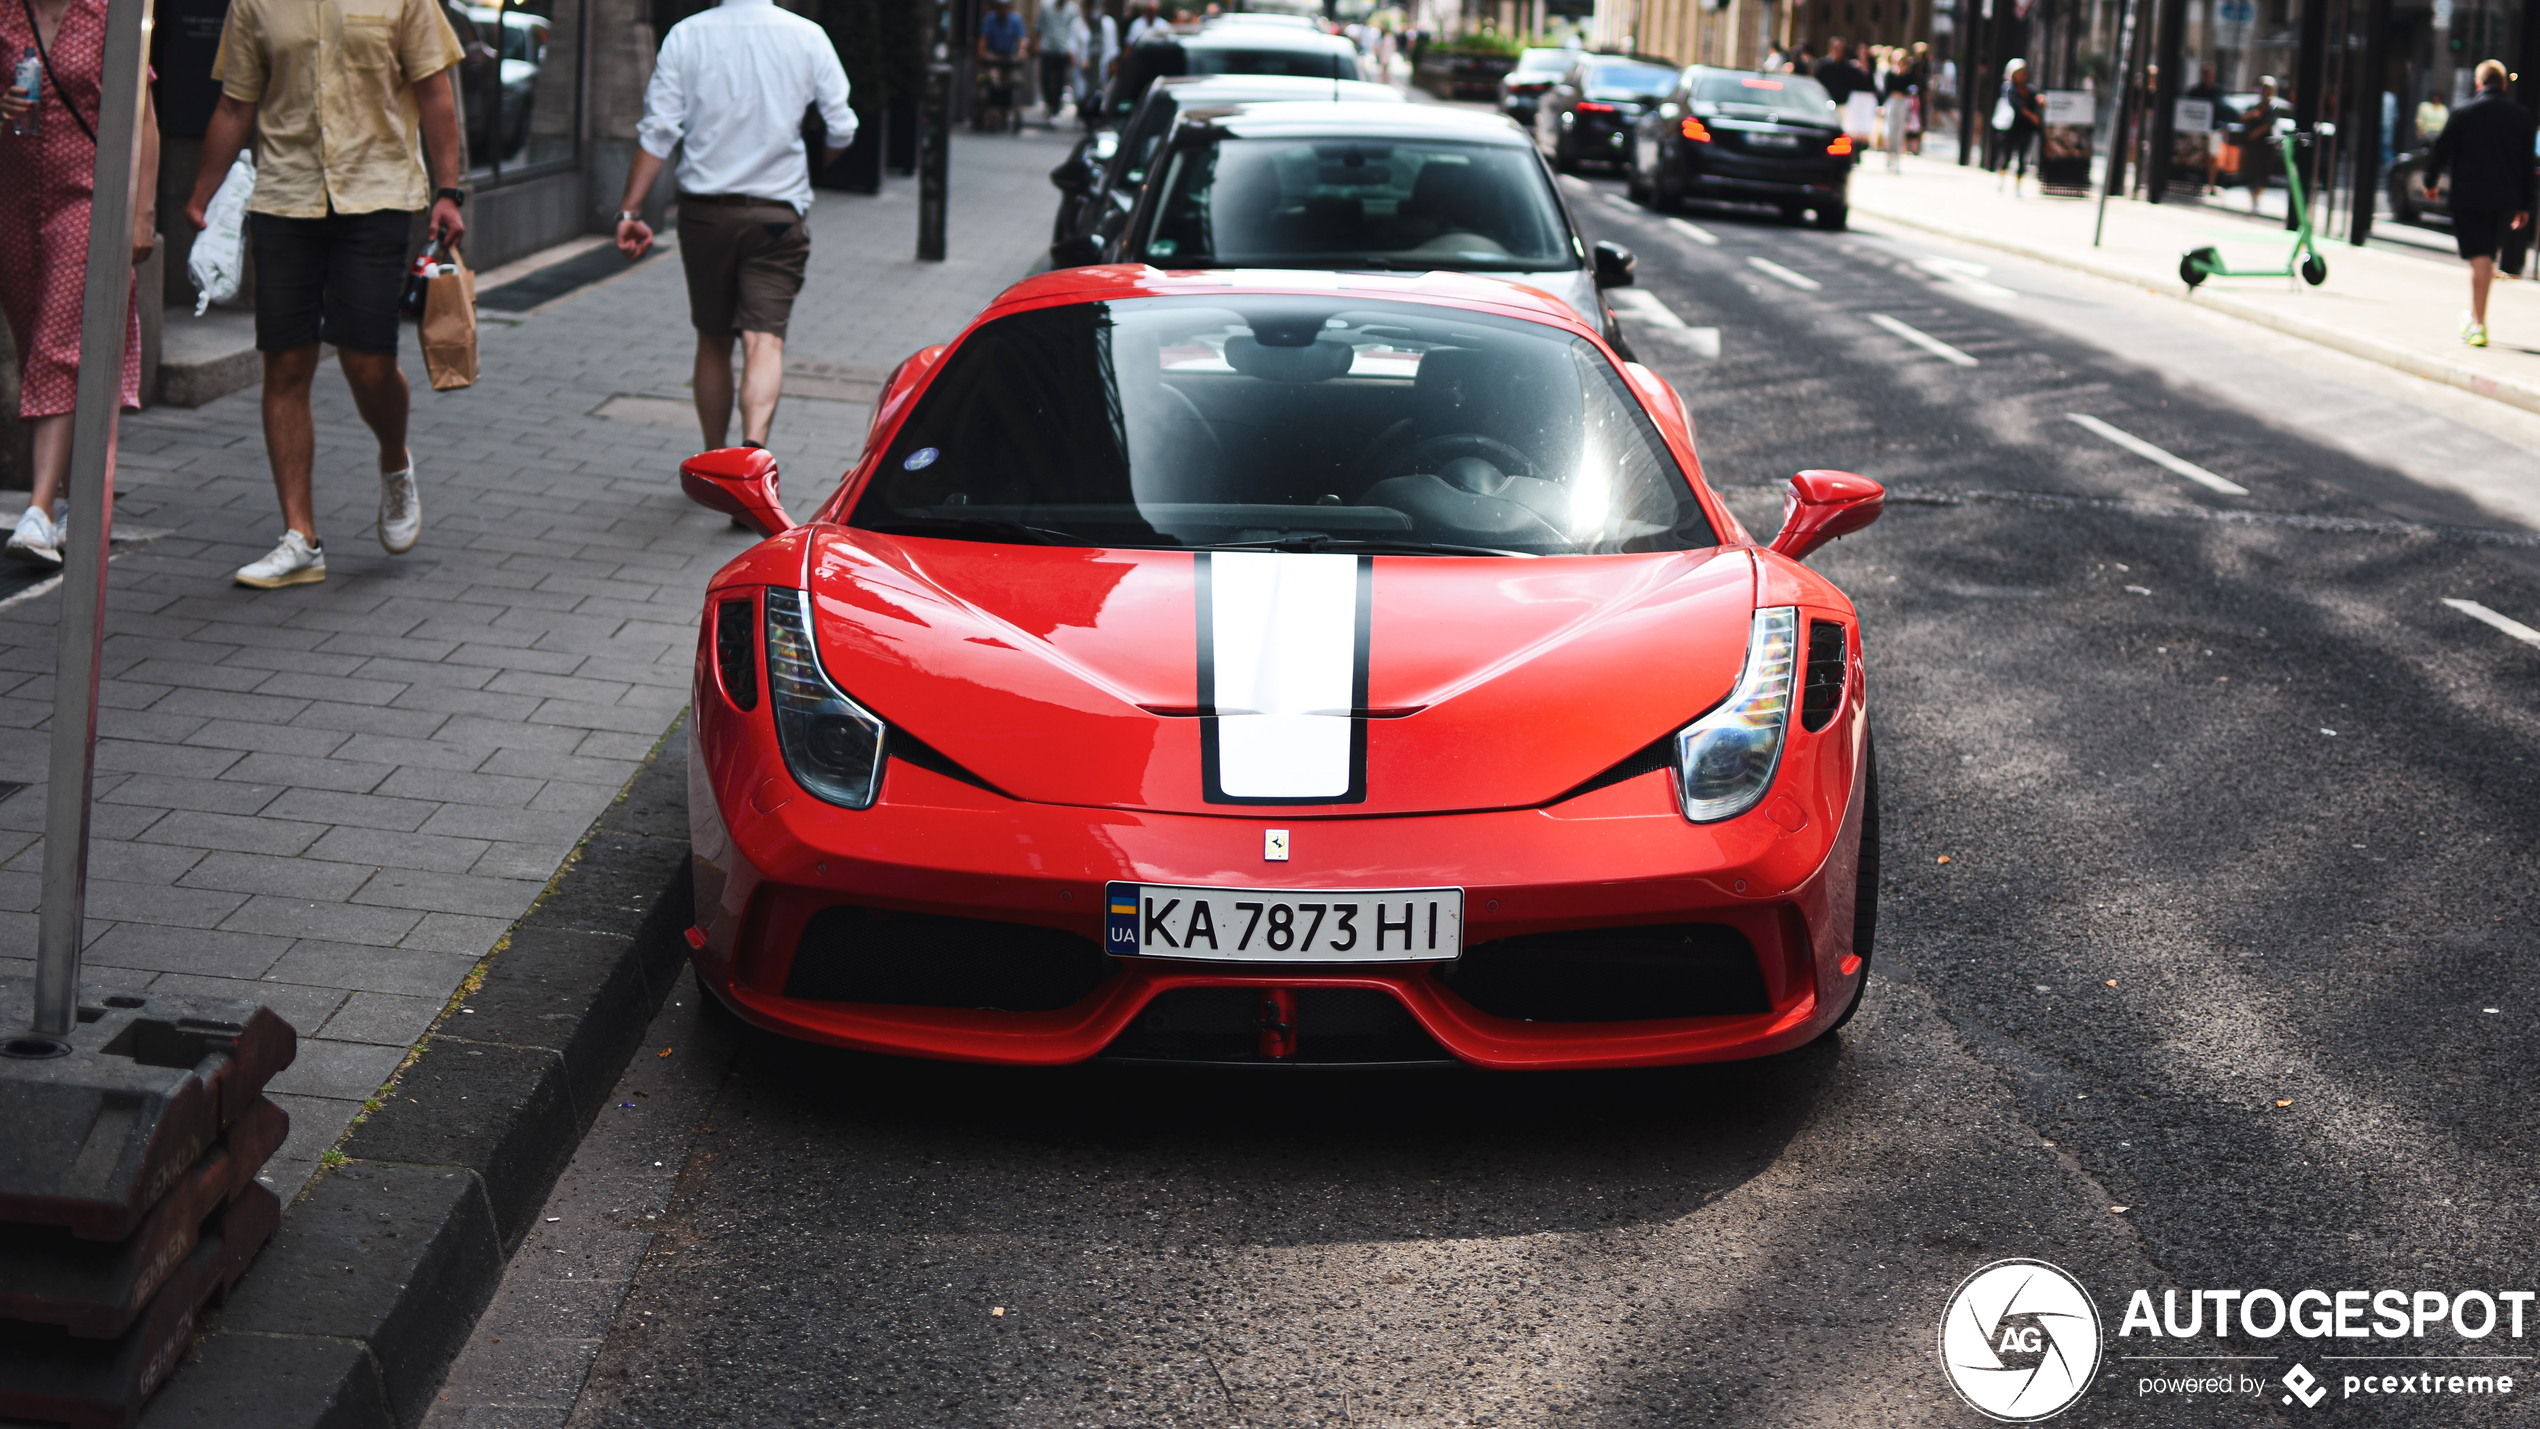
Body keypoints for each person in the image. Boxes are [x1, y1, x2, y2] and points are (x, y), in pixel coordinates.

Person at [188, 0, 465, 589]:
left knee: (368, 362)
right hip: (285, 196)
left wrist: (449, 190)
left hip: (378, 193)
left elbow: (435, 89)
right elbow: (237, 102)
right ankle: (300, 538)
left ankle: (395, 458)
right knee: (285, 361)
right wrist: (202, 196)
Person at [614, 0, 853, 457]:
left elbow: (659, 131)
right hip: (777, 217)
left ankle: (715, 465)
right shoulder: (807, 36)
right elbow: (842, 128)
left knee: (714, 339)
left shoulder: (687, 34)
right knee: (765, 339)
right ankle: (751, 459)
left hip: (706, 215)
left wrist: (630, 211)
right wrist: (814, 167)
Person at [0, 0, 159, 567]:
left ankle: (39, 509)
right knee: (36, 345)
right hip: (15, 201)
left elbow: (143, 117)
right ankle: (78, 502)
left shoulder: (106, 16)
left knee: (56, 347)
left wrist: (141, 215)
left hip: (88, 198)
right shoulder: (7, 15)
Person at [2425, 58, 2536, 348]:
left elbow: (2442, 149)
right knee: (2487, 256)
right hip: (2505, 199)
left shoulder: (2464, 111)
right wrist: (2525, 204)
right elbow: (2527, 164)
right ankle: (2475, 316)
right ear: (2503, 84)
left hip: (2470, 196)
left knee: (2480, 257)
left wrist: (2431, 181)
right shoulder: (2521, 116)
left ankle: (2479, 323)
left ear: (2478, 83)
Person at [2231, 76, 2283, 213]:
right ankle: (2253, 198)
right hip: (2252, 145)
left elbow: (2268, 124)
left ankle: (2256, 195)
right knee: (2251, 172)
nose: (2266, 92)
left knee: (2265, 175)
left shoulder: (2273, 107)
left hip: (2266, 144)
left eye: (2269, 89)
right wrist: (2251, 115)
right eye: (2264, 89)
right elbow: (2241, 117)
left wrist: (2255, 133)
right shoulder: (2254, 105)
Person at [977, 0, 1027, 131]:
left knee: (1011, 81)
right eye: (1000, 7)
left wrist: (1021, 52)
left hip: (1009, 56)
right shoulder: (990, 19)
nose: (1003, 10)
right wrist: (982, 55)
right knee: (994, 79)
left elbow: (1022, 39)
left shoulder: (1015, 20)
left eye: (1005, 7)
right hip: (994, 55)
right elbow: (983, 39)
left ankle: (1005, 110)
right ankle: (994, 110)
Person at [1995, 57, 2042, 193]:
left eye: (2023, 72)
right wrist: (2032, 116)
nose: (2022, 75)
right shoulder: (2009, 88)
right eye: (2019, 72)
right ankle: (2001, 179)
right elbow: (2017, 105)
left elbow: (2036, 99)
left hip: (2025, 128)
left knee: (2023, 157)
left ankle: (2018, 186)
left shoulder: (2030, 90)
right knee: (2007, 155)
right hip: (2010, 126)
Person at [1036, 0, 1076, 120]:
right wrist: (1036, 44)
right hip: (1047, 48)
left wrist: (1072, 52)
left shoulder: (1073, 10)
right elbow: (1039, 26)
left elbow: (1073, 31)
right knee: (1045, 78)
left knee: (1060, 80)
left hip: (1063, 50)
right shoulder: (1045, 7)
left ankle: (1055, 107)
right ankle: (1049, 103)